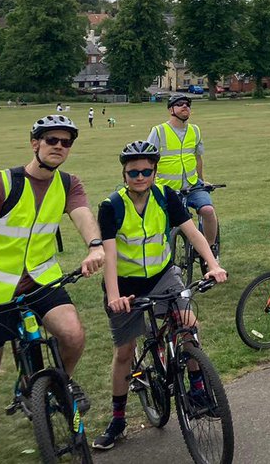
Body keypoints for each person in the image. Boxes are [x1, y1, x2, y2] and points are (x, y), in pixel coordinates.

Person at [0, 115, 105, 464]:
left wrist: (95, 245)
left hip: (40, 280)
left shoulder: (68, 184)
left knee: (73, 335)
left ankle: (56, 385)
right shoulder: (2, 185)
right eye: (52, 140)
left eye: (66, 143)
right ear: (35, 143)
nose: (59, 147)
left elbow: (82, 215)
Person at [93, 141, 227, 450]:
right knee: (124, 353)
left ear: (154, 172)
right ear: (124, 174)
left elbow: (192, 232)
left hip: (162, 275)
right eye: (133, 172)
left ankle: (196, 391)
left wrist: (213, 264)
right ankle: (118, 420)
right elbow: (109, 256)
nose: (139, 177)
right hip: (124, 284)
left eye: (146, 171)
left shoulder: (166, 196)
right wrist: (114, 295)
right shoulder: (111, 206)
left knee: (189, 326)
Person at [147, 94, 217, 249]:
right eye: (179, 104)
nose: (185, 106)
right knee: (166, 221)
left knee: (207, 210)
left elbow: (198, 158)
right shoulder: (159, 131)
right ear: (171, 109)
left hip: (192, 184)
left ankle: (210, 249)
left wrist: (202, 180)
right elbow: (148, 161)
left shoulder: (195, 130)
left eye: (187, 104)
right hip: (167, 187)